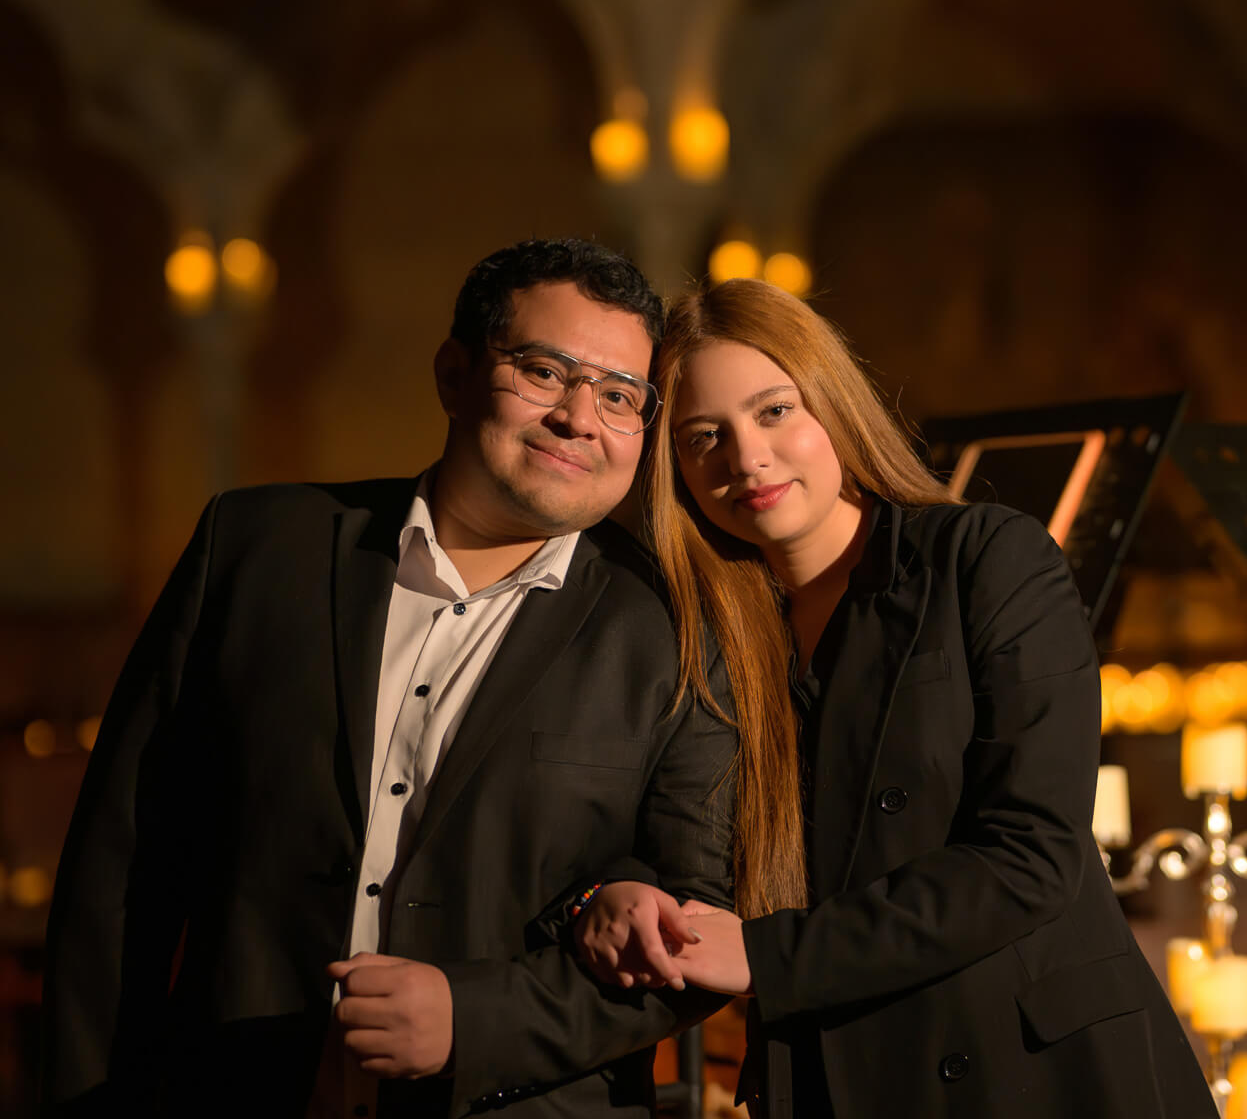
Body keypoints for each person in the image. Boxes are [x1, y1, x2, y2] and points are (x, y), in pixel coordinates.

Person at [43, 239, 754, 1118]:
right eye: (542, 371)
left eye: (619, 397)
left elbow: (695, 936)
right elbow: (124, 866)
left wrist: (477, 1021)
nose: (580, 417)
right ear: (454, 375)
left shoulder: (678, 629)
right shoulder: (258, 548)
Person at [573, 279, 1215, 1118]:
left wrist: (772, 958)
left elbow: (1031, 856)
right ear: (677, 471)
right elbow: (661, 830)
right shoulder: (702, 633)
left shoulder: (986, 558)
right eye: (705, 437)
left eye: (774, 411)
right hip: (845, 1076)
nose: (747, 458)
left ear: (833, 405)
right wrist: (613, 889)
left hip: (1038, 1072)